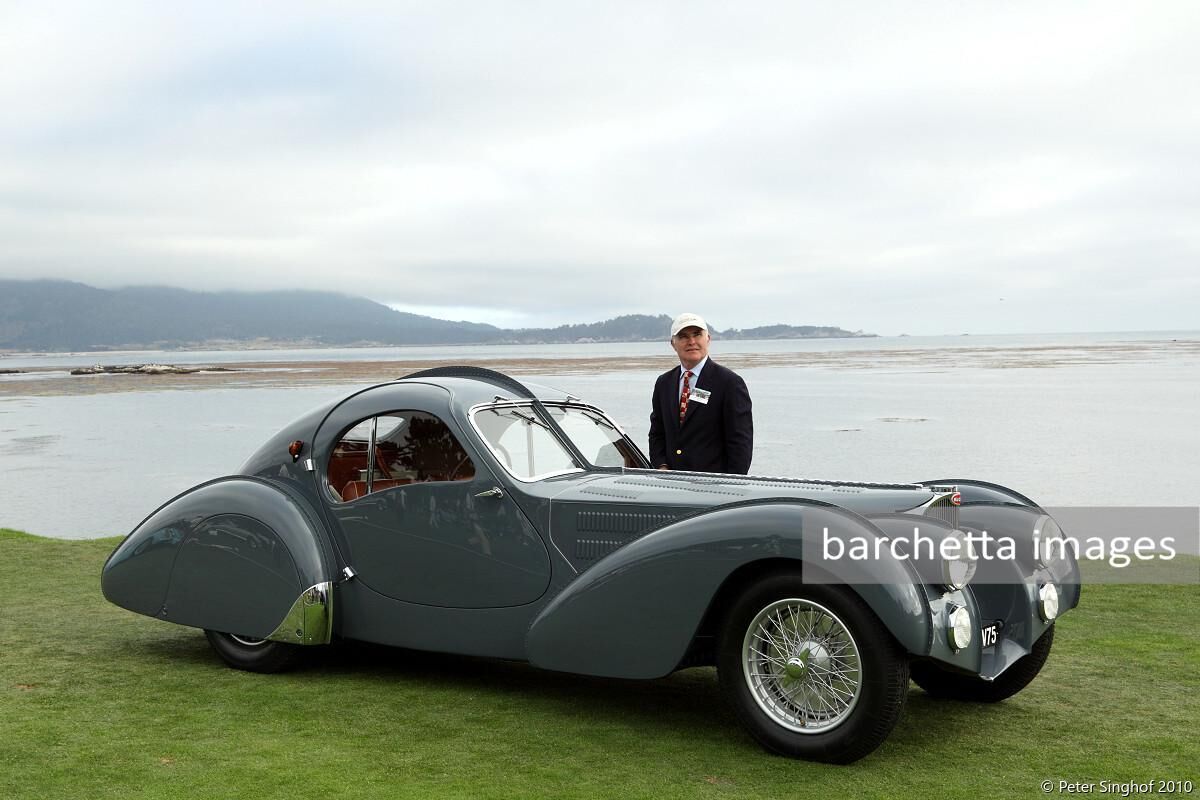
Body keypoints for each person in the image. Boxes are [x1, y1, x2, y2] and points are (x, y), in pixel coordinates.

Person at [648, 313, 753, 474]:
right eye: (683, 336)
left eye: (697, 335)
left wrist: (732, 487)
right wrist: (661, 466)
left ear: (708, 338)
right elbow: (657, 433)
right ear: (673, 344)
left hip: (713, 488)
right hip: (670, 485)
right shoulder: (664, 383)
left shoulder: (729, 383)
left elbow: (740, 443)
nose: (691, 342)